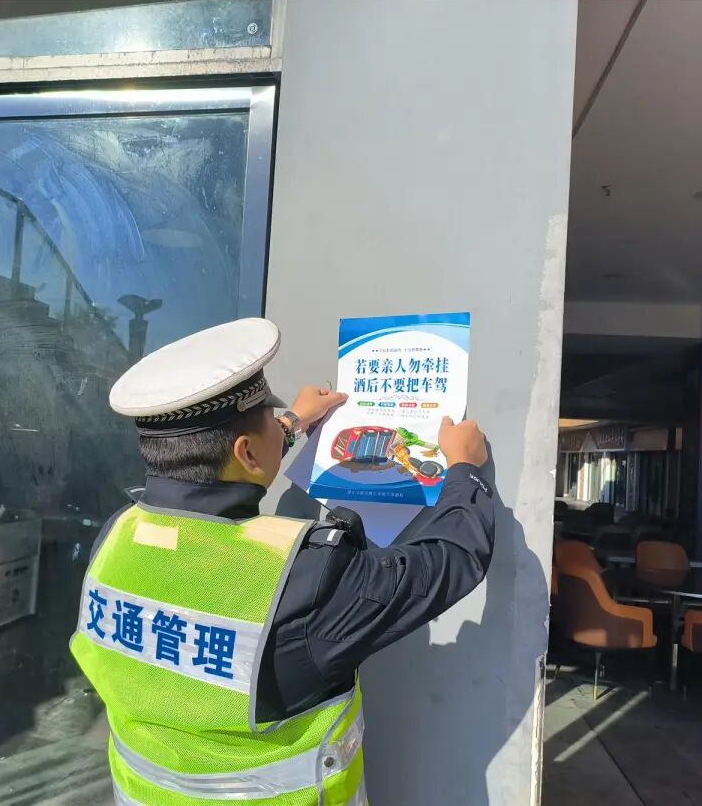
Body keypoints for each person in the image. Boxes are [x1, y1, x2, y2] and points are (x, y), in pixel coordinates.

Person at [70, 318, 495, 806]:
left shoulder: (114, 539)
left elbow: (214, 477)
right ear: (247, 452)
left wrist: (290, 424)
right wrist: (464, 469)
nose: (279, 423)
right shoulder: (304, 579)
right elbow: (448, 560)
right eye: (271, 421)